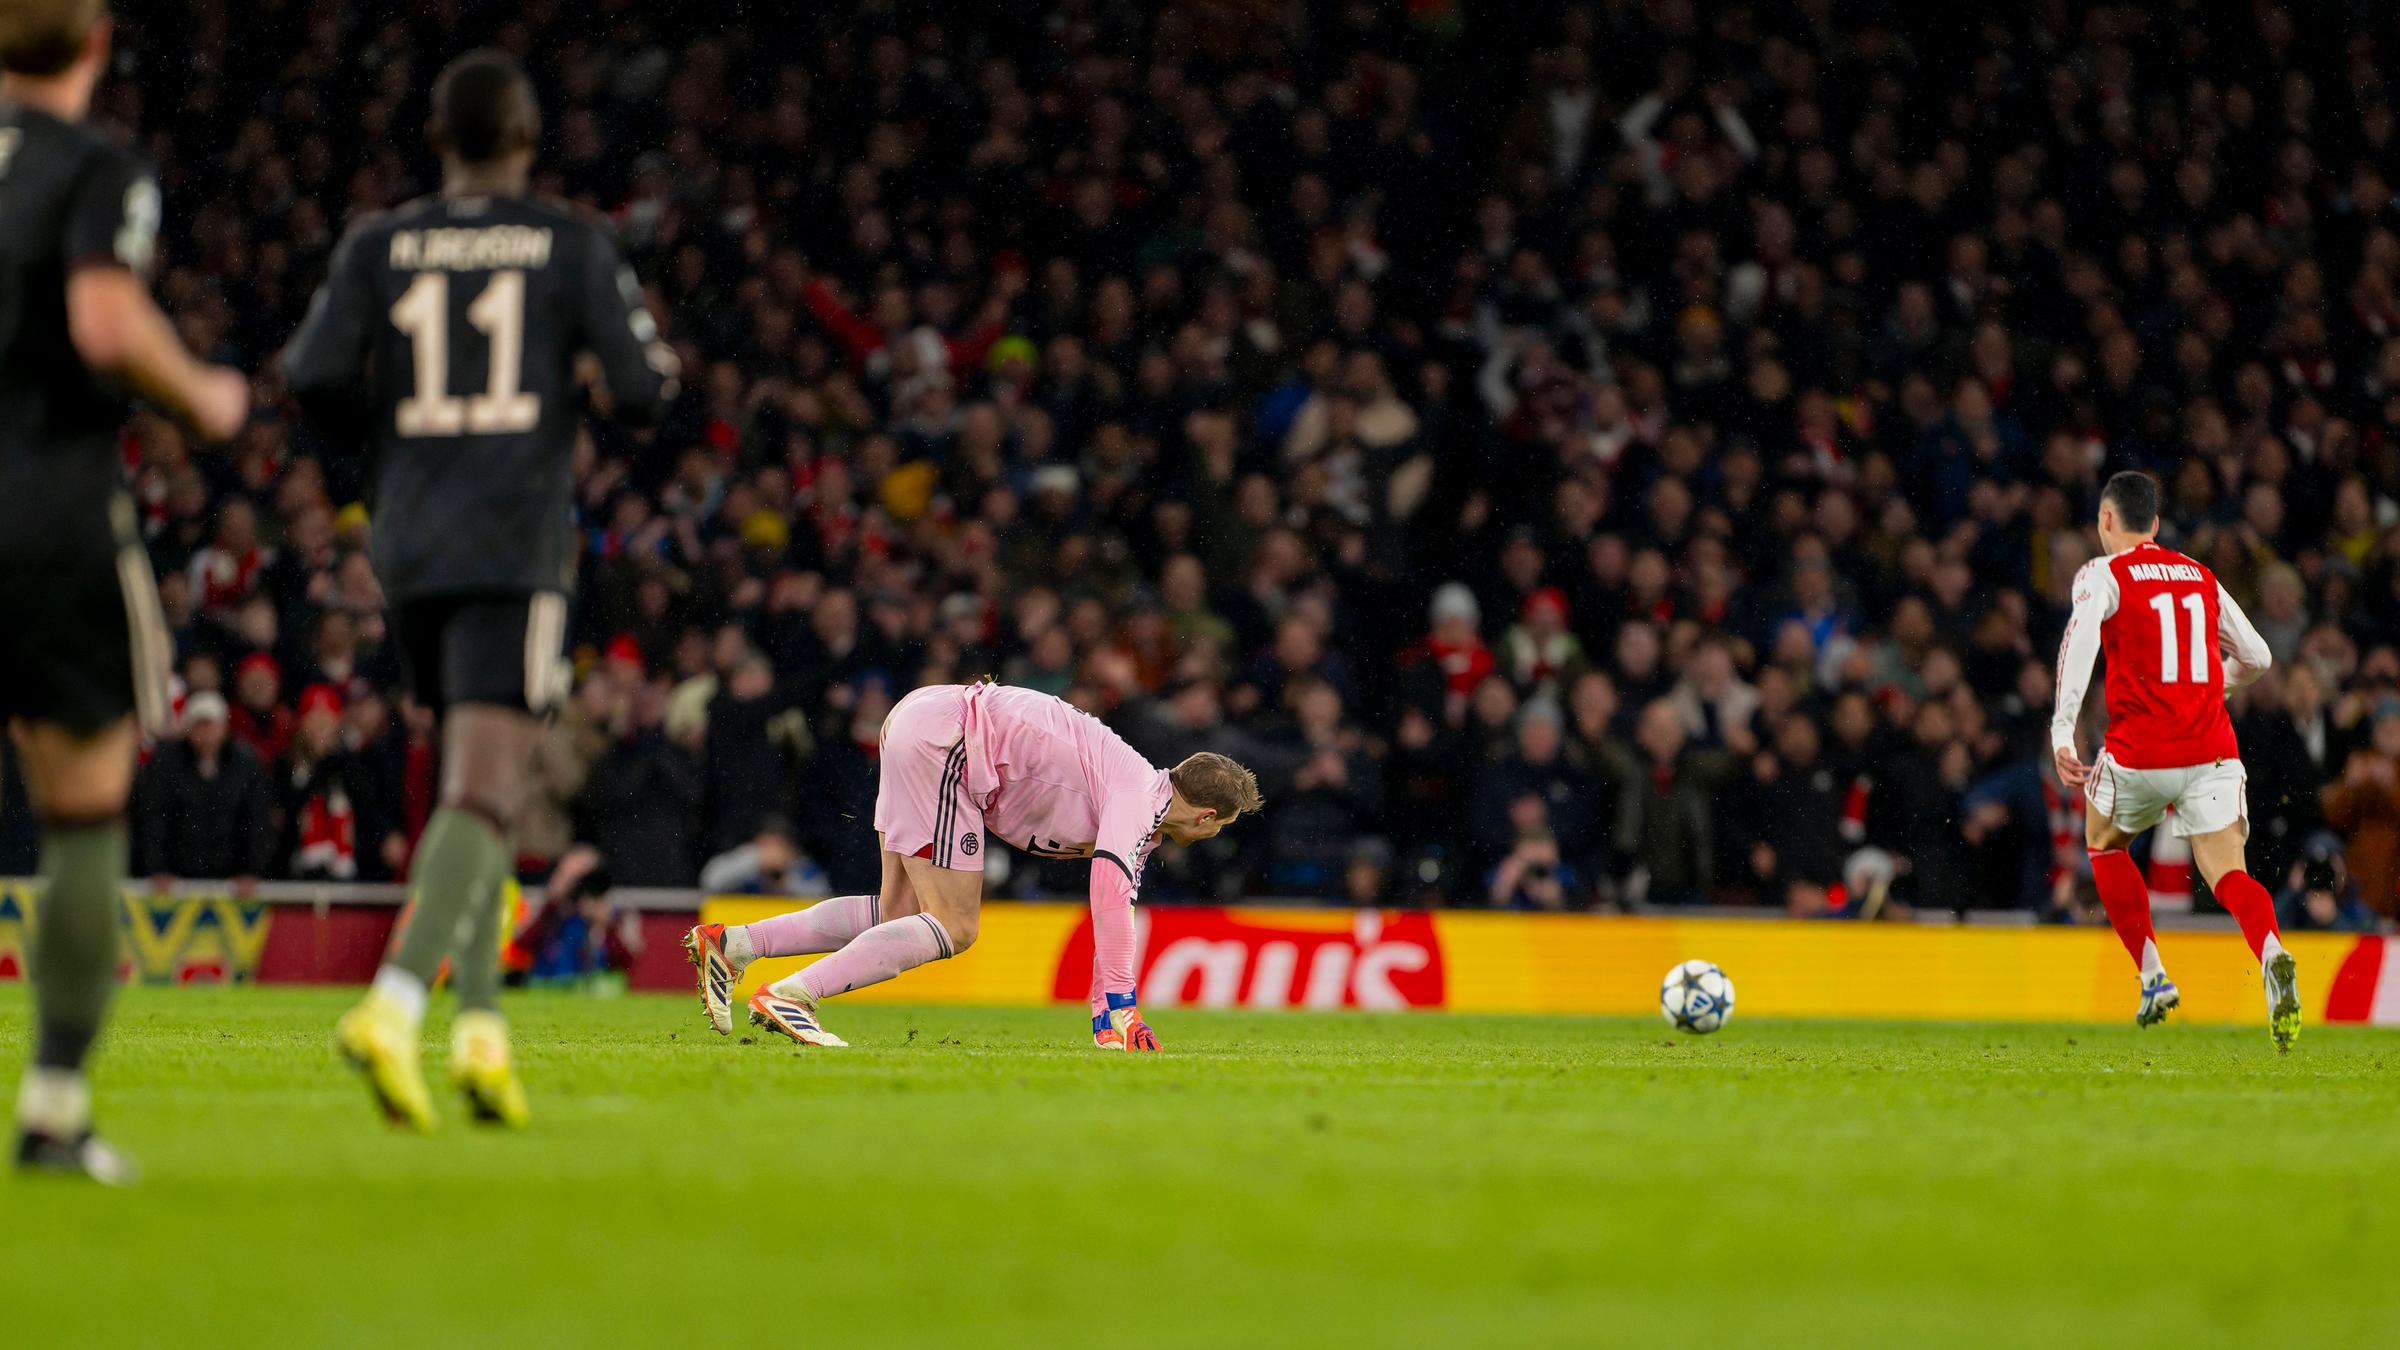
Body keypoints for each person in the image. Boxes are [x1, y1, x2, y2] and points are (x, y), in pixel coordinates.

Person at [284, 48, 677, 1130]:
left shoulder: (382, 242)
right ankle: (397, 1002)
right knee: (486, 791)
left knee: (470, 782)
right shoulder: (568, 243)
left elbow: (312, 377)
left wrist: (391, 446)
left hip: (408, 543)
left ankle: (483, 1037)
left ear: (441, 140)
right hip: (511, 541)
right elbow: (647, 390)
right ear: (526, 141)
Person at [0, 0, 249, 1180]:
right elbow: (102, 316)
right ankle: (52, 1110)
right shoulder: (96, 168)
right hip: (45, 509)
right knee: (84, 810)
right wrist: (199, 392)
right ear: (94, 42)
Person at [682, 681, 1259, 1050]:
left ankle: (736, 945)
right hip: (949, 741)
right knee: (956, 926)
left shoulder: (1139, 793)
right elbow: (1109, 901)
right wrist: (1123, 1010)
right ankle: (791, 995)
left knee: (897, 911)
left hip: (928, 721)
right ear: (1207, 816)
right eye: (1221, 828)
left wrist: (1101, 1017)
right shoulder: (1139, 800)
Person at [2051, 471, 2293, 1048]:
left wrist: (2063, 731)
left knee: (2104, 844)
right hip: (2211, 749)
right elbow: (2257, 656)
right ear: (2155, 525)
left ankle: (2153, 975)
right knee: (2230, 873)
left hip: (2142, 752)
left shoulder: (2103, 573)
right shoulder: (2200, 574)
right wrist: (2215, 688)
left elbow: (2079, 643)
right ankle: (2273, 951)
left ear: (2107, 521)